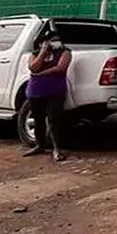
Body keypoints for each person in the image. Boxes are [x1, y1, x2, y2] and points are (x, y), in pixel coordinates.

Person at [23, 30, 71, 162]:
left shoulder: (64, 52)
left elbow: (60, 68)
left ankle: (57, 148)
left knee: (54, 119)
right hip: (36, 91)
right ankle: (40, 145)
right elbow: (33, 67)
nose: (55, 43)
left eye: (56, 40)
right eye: (52, 40)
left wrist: (41, 74)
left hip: (55, 91)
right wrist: (43, 52)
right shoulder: (35, 54)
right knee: (38, 120)